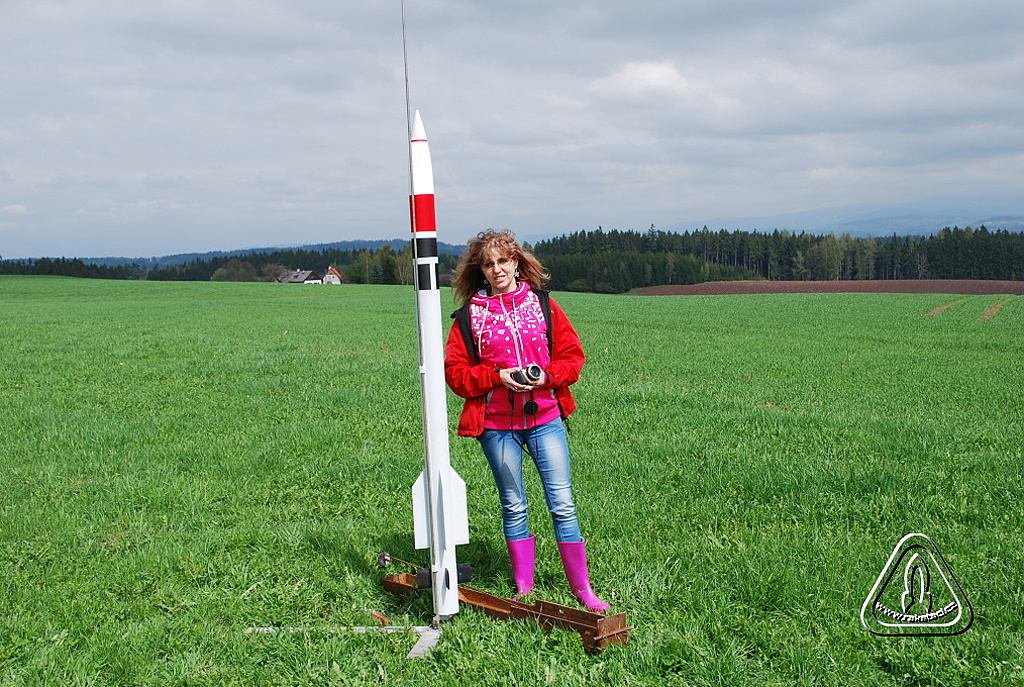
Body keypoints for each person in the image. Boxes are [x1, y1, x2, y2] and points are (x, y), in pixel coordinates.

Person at [444, 229, 609, 612]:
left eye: (503, 261)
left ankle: (582, 590)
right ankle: (524, 590)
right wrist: (496, 377)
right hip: (497, 427)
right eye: (489, 263)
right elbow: (455, 373)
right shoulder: (470, 317)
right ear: (481, 271)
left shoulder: (543, 305)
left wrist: (545, 376)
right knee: (514, 504)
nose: (497, 269)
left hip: (545, 419)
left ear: (516, 263)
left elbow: (573, 357)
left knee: (563, 503)